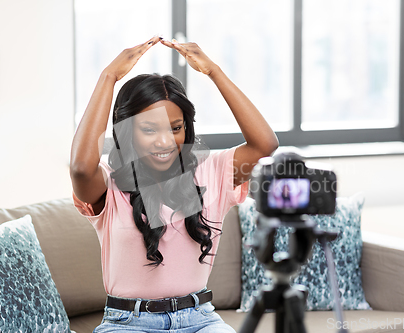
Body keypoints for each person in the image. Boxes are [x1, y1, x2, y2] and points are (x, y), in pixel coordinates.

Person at [70, 36, 279, 333]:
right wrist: (109, 77)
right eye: (149, 129)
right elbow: (80, 168)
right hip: (127, 324)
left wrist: (214, 72)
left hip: (201, 320)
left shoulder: (212, 173)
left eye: (176, 128)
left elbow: (265, 145)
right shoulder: (108, 184)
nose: (165, 141)